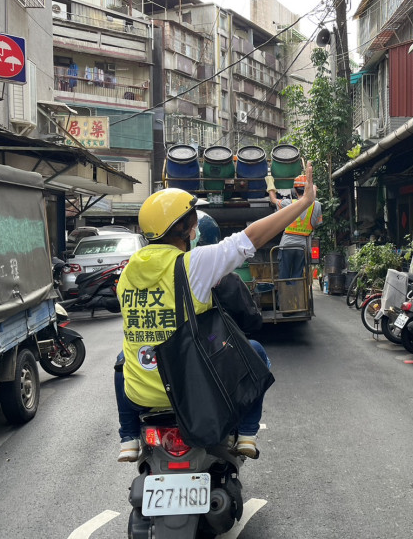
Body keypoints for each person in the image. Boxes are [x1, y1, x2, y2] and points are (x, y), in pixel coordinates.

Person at [116, 163, 317, 462]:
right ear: (185, 228)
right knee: (257, 351)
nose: (195, 227)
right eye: (192, 221)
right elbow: (252, 238)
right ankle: (247, 434)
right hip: (193, 388)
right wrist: (303, 203)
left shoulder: (128, 270)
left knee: (122, 361)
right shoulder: (193, 264)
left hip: (141, 393)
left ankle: (128, 438)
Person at [265, 173, 322, 285]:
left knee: (284, 277)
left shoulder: (288, 203)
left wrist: (270, 184)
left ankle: (284, 301)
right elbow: (316, 224)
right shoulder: (317, 205)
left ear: (295, 191)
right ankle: (296, 300)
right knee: (298, 277)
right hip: (303, 247)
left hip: (286, 245)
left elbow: (273, 200)